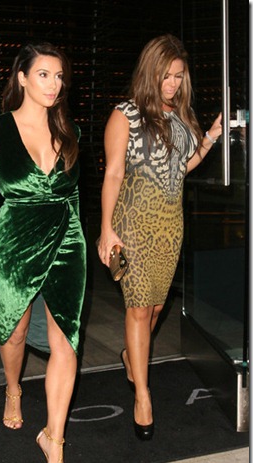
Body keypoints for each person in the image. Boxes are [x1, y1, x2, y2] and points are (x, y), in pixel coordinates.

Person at [0, 42, 86, 463]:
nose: (54, 84)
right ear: (22, 78)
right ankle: (14, 388)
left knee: (66, 342)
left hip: (66, 237)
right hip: (14, 237)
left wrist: (86, 238)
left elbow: (74, 194)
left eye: (59, 76)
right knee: (14, 331)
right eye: (43, 74)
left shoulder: (70, 129)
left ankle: (54, 440)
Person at [97, 34, 222, 441]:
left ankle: (129, 355)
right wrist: (106, 229)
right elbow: (113, 174)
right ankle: (143, 396)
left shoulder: (182, 116)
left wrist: (210, 138)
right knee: (138, 309)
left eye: (178, 76)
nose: (171, 83)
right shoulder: (126, 115)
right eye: (165, 75)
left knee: (154, 310)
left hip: (170, 226)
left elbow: (181, 168)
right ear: (149, 72)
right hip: (132, 225)